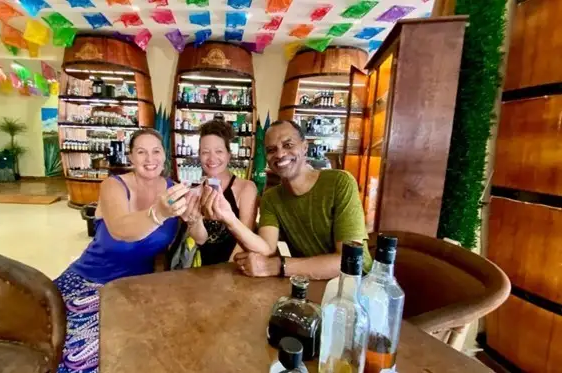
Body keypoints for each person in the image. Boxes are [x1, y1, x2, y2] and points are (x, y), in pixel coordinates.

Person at [53, 129, 190, 373]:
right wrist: (158, 213)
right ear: (130, 157)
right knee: (72, 358)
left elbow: (163, 251)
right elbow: (121, 230)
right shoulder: (113, 186)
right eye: (141, 152)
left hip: (134, 288)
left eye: (156, 151)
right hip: (92, 280)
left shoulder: (173, 190)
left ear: (165, 156)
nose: (150, 159)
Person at [200, 120, 372, 281]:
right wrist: (228, 217)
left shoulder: (339, 182)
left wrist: (279, 265)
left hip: (356, 285)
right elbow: (267, 248)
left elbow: (351, 261)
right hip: (307, 283)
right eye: (271, 149)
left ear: (305, 147)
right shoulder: (271, 198)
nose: (280, 154)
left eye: (288, 145)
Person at [181, 119, 258, 265]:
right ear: (199, 155)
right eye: (205, 152)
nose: (212, 158)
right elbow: (201, 240)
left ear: (229, 155)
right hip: (203, 269)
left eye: (219, 151)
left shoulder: (245, 188)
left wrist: (226, 273)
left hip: (235, 268)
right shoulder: (195, 191)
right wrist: (193, 221)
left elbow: (245, 239)